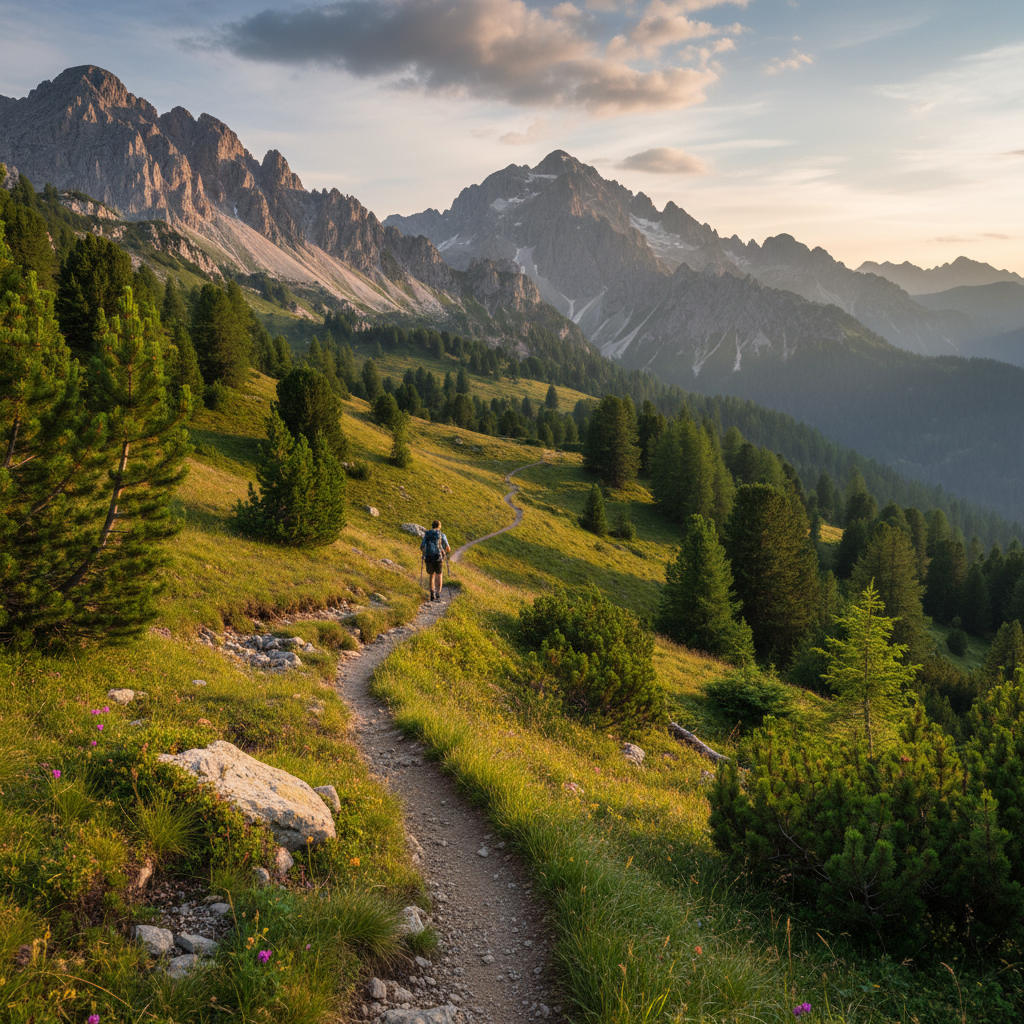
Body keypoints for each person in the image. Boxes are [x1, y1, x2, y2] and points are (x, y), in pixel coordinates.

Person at [421, 519, 451, 601]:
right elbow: (448, 548)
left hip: (429, 558)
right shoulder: (442, 535)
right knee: (439, 574)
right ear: (439, 526)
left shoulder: (427, 534)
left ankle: (432, 594)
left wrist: (426, 552)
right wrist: (444, 551)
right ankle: (438, 593)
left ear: (432, 526)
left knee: (431, 575)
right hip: (438, 558)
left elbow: (422, 546)